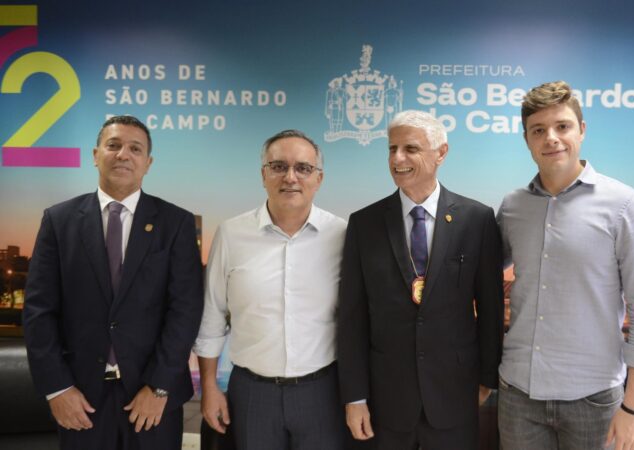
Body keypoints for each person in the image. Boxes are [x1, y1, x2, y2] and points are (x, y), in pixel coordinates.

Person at [496, 81, 634, 450]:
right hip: (518, 396)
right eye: (538, 130)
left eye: (562, 126)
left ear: (582, 130)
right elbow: (475, 271)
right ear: (526, 139)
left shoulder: (624, 205)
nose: (551, 138)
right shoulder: (512, 207)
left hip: (594, 401)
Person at [23, 115, 204, 449]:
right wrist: (57, 388)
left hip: (152, 400)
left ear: (148, 163)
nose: (124, 154)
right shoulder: (58, 221)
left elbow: (186, 310)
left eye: (135, 149)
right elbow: (38, 312)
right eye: (114, 145)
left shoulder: (175, 223)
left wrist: (160, 386)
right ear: (95, 155)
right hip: (79, 399)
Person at [337, 110, 504, 450]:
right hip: (385, 402)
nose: (397, 158)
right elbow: (352, 318)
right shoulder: (364, 224)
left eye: (410, 148)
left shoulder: (477, 219)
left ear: (440, 153)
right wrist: (354, 397)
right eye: (392, 148)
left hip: (455, 396)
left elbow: (490, 308)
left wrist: (487, 379)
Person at [194, 130, 347, 449]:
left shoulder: (343, 235)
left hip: (323, 393)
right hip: (252, 394)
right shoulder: (231, 234)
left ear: (319, 179)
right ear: (263, 174)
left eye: (303, 168)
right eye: (278, 166)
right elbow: (212, 317)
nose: (290, 177)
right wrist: (209, 386)